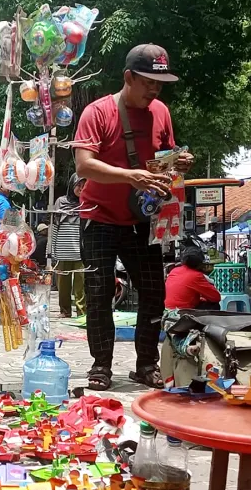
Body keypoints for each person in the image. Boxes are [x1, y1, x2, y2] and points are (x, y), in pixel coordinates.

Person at [74, 43, 194, 390]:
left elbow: (165, 157)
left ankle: (146, 365)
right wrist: (130, 175)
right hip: (99, 217)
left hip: (142, 220)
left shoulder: (162, 112)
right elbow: (84, 165)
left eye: (159, 83)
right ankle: (100, 367)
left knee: (154, 293)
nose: (154, 90)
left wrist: (180, 161)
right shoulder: (97, 113)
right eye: (147, 82)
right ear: (128, 77)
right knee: (98, 292)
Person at [51, 173, 87, 318]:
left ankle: (81, 313)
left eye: (84, 185)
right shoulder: (61, 202)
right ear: (72, 185)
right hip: (62, 250)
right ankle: (65, 311)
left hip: (80, 251)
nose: (81, 188)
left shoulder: (86, 203)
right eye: (79, 184)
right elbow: (54, 227)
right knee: (63, 285)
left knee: (81, 285)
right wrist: (52, 251)